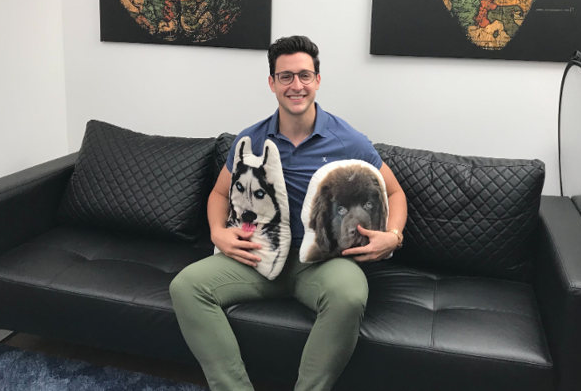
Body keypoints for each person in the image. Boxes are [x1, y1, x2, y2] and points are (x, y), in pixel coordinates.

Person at [170, 35, 407, 391]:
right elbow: (220, 192)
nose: (296, 86)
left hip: (322, 263)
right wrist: (218, 232)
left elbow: (393, 190)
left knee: (349, 296)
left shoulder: (349, 140)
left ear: (317, 81)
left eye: (304, 76)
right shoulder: (250, 140)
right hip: (258, 257)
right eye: (285, 77)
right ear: (272, 83)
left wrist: (394, 236)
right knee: (186, 286)